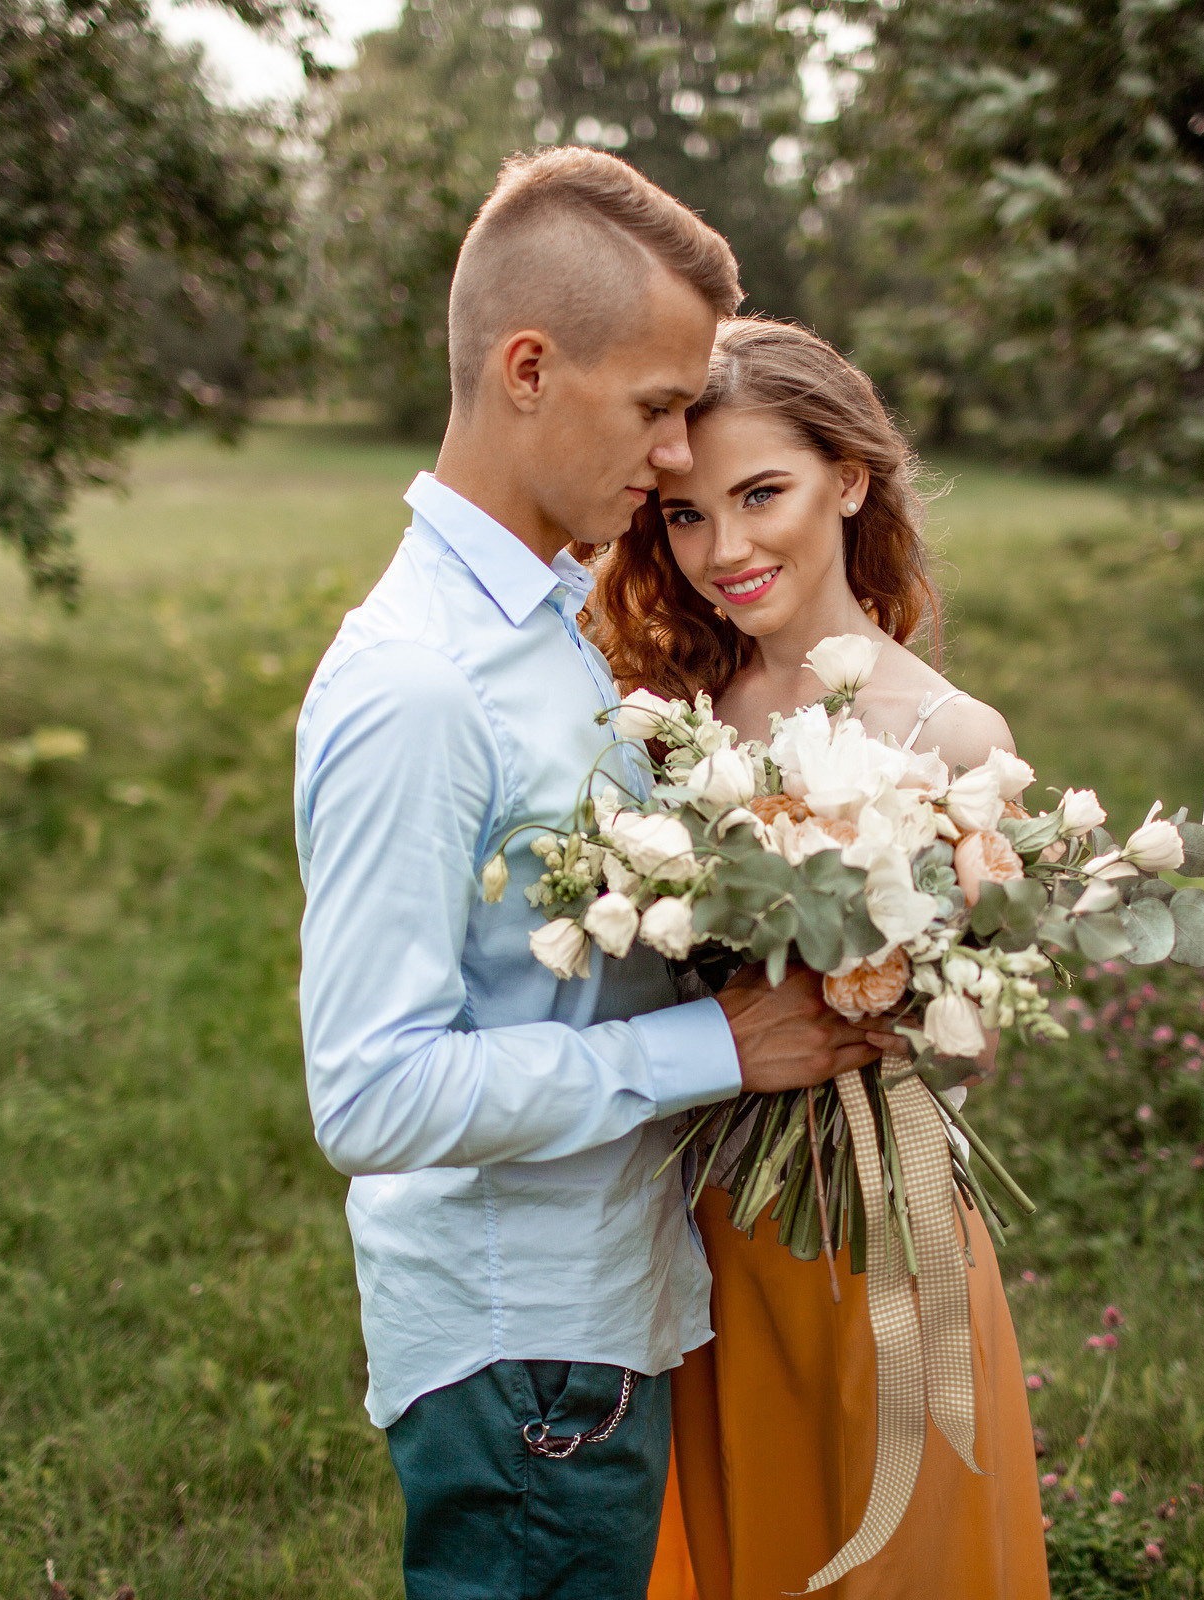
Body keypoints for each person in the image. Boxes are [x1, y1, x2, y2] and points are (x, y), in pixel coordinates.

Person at [294, 154, 883, 1600]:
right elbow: (369, 1095)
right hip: (526, 1350)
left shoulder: (543, 623)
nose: (678, 456)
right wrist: (717, 1046)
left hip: (591, 1315)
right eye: (656, 408)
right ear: (530, 370)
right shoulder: (423, 683)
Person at [595, 318, 1054, 1600]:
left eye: (762, 495)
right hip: (719, 1216)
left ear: (848, 480)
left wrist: (890, 966)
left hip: (880, 1218)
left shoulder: (953, 734)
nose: (725, 551)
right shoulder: (680, 729)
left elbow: (980, 1039)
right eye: (686, 516)